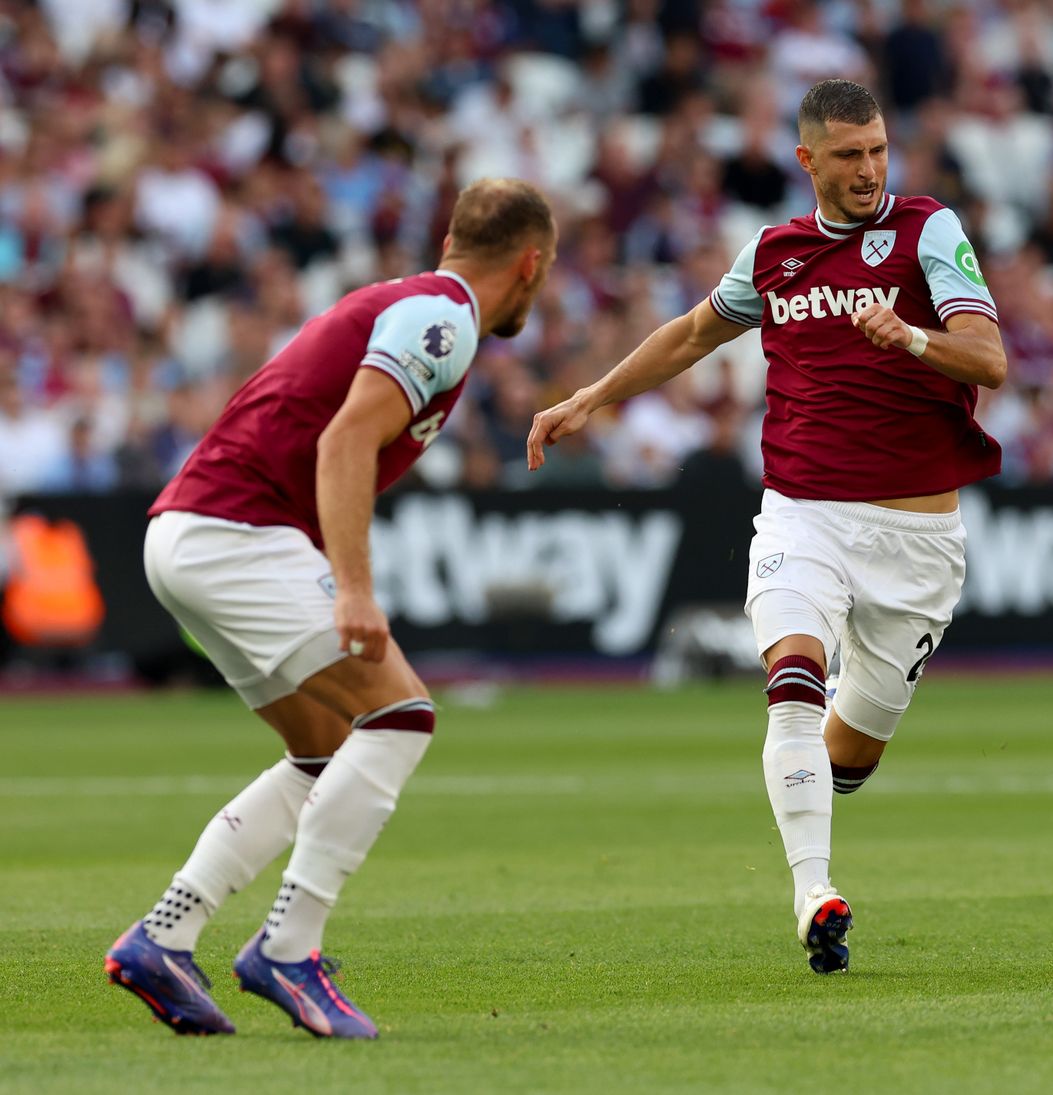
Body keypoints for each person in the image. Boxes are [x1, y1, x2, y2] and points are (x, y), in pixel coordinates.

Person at [527, 78, 1006, 974]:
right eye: (849, 156)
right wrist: (593, 395)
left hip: (917, 542)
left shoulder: (928, 229)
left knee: (848, 758)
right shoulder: (774, 254)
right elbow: (690, 334)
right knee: (793, 674)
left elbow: (991, 359)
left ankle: (817, 804)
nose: (869, 171)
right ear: (806, 161)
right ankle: (814, 895)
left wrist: (909, 336)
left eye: (878, 151)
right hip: (804, 513)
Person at [105, 179, 558, 1036]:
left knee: (320, 749)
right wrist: (353, 585)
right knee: (402, 713)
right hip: (237, 532)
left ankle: (165, 936)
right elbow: (345, 436)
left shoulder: (407, 302)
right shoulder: (446, 319)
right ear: (530, 264)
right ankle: (289, 947)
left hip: (189, 531)